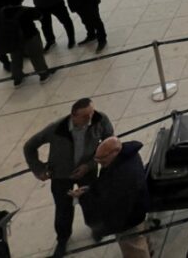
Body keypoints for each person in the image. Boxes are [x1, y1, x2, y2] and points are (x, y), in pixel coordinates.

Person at [24, 98, 115, 258]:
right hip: (61, 176)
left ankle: (96, 228)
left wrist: (89, 165)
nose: (91, 119)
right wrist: (39, 169)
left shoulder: (100, 120)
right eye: (86, 116)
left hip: (87, 172)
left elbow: (109, 143)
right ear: (74, 116)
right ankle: (63, 238)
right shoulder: (56, 129)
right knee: (63, 207)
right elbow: (30, 146)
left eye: (92, 114)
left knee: (91, 201)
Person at [78, 137, 150, 258]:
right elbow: (107, 184)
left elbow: (112, 204)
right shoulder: (124, 158)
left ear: (115, 152)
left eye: (102, 158)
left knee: (134, 249)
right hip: (136, 211)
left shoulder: (124, 174)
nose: (99, 162)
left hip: (129, 221)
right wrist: (90, 190)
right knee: (140, 240)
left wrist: (86, 197)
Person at [0, 3, 51, 85]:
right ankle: (43, 74)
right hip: (29, 36)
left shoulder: (3, 11)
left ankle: (17, 79)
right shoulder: (26, 10)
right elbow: (40, 16)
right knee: (36, 55)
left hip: (13, 38)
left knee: (15, 58)